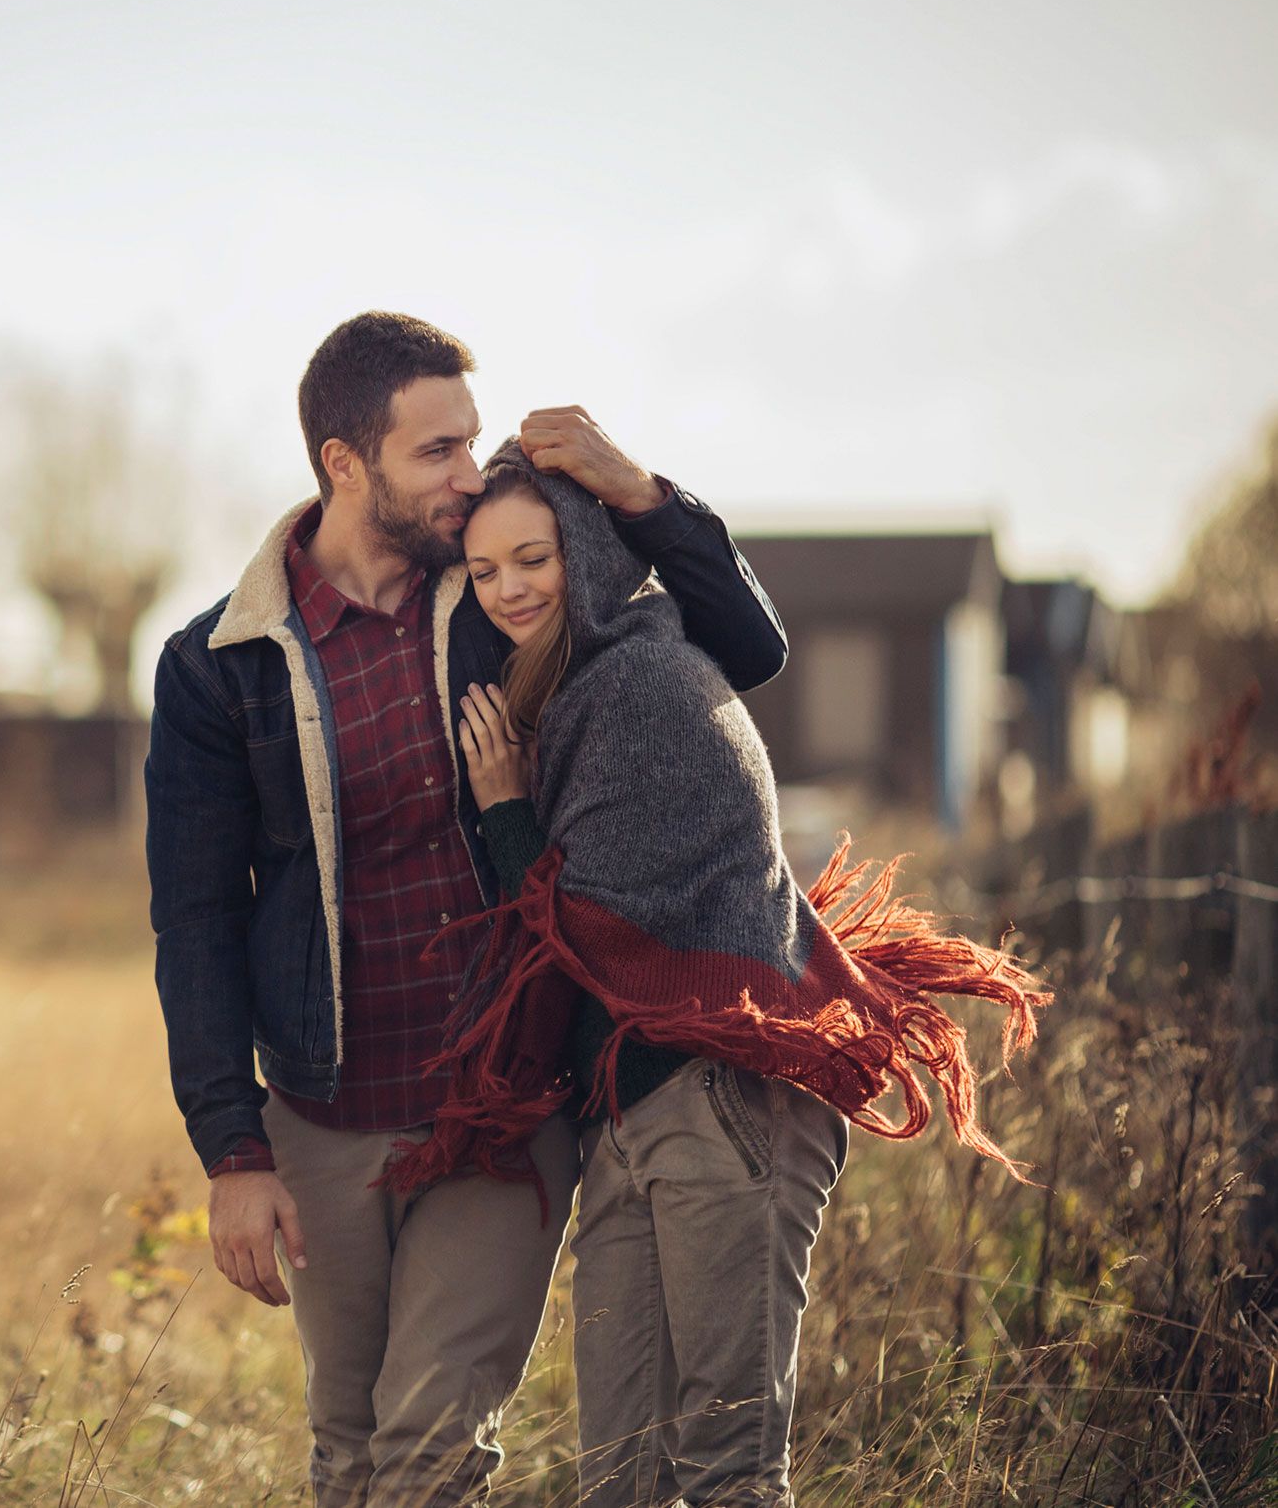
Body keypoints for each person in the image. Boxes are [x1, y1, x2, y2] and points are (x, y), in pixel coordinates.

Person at [144, 310, 789, 1507]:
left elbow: (743, 645)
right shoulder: (217, 665)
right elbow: (195, 921)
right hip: (324, 1114)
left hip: (497, 1107)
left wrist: (637, 490)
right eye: (436, 450)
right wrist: (232, 1148)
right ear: (344, 462)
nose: (468, 475)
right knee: (348, 1450)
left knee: (432, 1452)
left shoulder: (497, 594)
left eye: (469, 440)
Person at [411, 446, 1046, 1507]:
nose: (508, 587)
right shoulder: (571, 695)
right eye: (483, 571)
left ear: (589, 553)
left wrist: (507, 811)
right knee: (618, 1478)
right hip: (633, 1111)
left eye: (533, 557)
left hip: (721, 1102)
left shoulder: (642, 687)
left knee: (729, 1472)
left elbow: (590, 935)